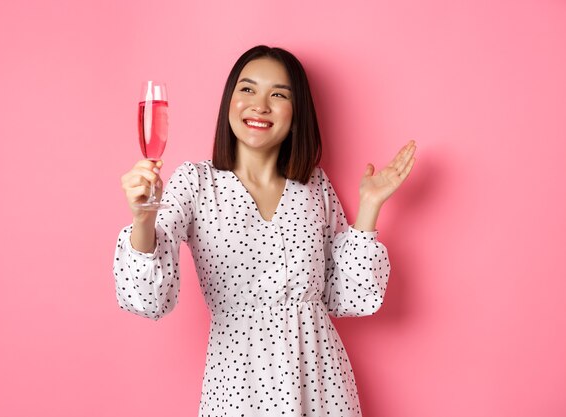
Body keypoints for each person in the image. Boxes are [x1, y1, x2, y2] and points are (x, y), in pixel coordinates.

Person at [114, 45, 416, 417]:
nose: (260, 105)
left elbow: (346, 298)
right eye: (247, 89)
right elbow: (147, 299)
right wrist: (143, 217)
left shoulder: (315, 186)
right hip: (237, 385)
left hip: (321, 384)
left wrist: (369, 208)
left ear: (297, 112)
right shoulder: (196, 182)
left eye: (278, 94)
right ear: (229, 100)